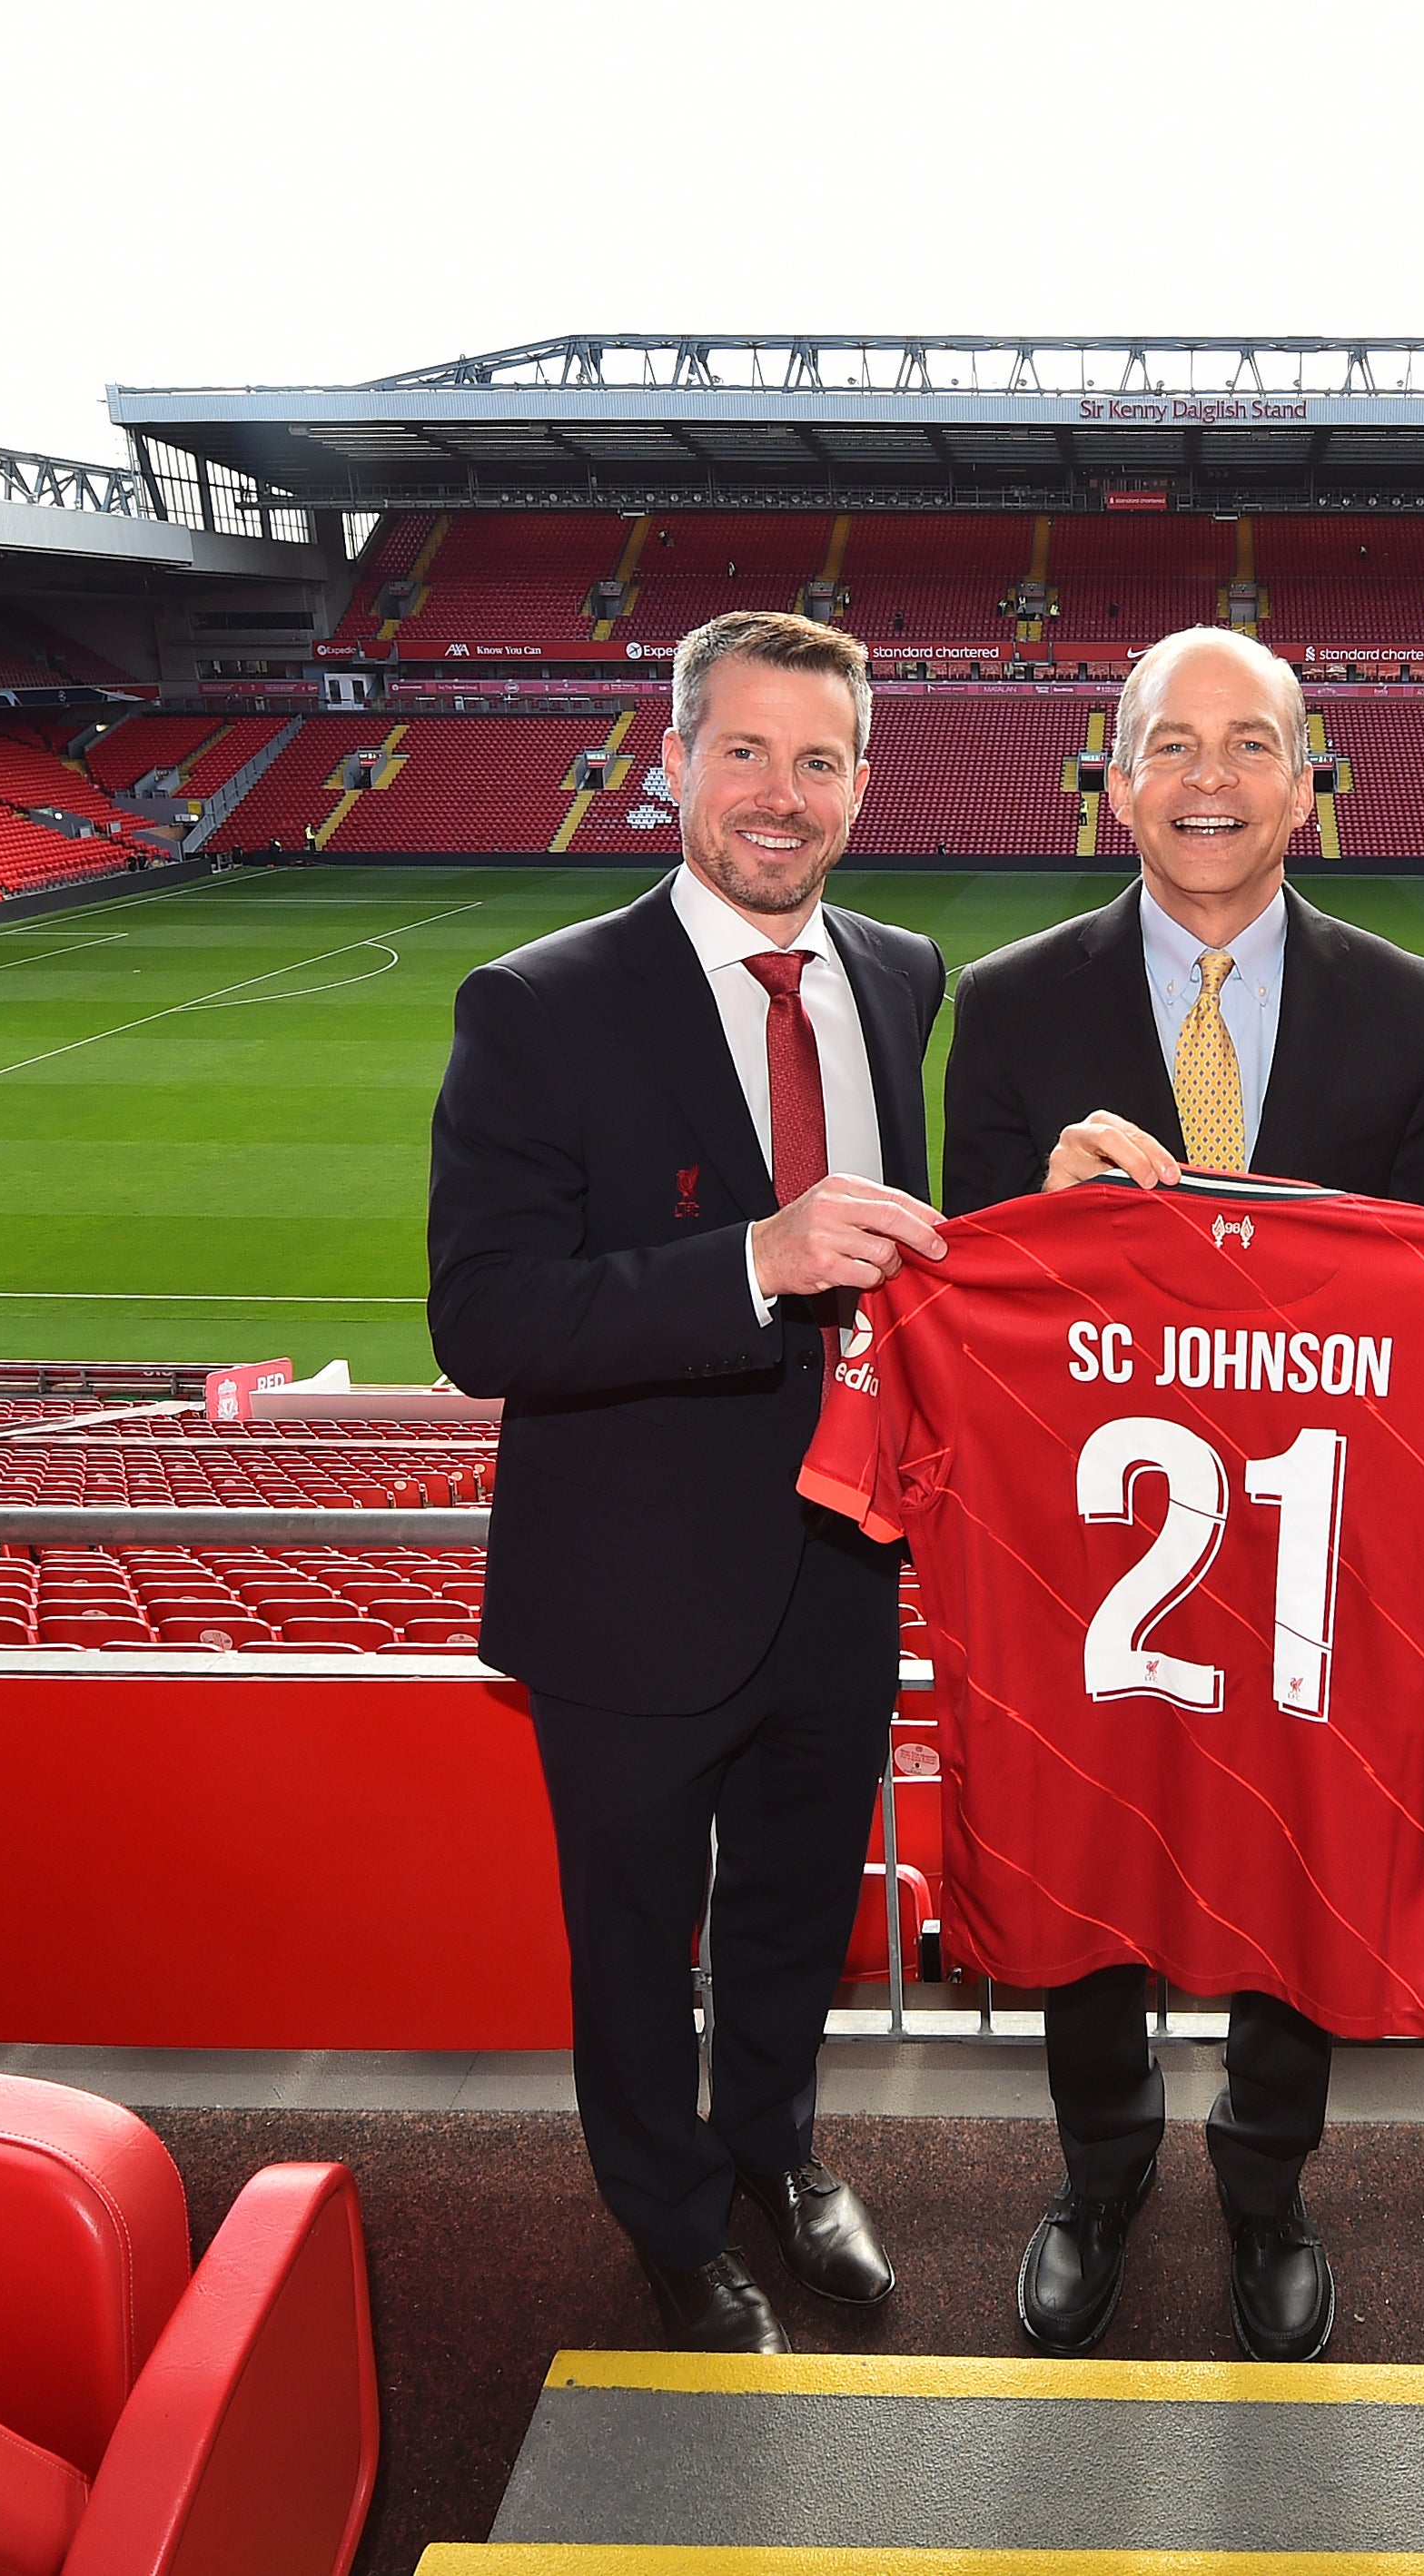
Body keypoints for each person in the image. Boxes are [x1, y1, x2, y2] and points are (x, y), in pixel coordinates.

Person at [939, 623, 1424, 2363]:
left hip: (1317, 1531)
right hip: (1099, 1533)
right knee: (1096, 1823)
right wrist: (1038, 1196)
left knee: (1295, 1845)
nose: (1209, 779)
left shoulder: (1413, 1013)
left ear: (1306, 784)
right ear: (1113, 784)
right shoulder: (1011, 1002)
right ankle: (1098, 2168)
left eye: (1251, 743)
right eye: (1170, 744)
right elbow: (958, 1285)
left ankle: (1266, 2182)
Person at [426, 608, 950, 2354]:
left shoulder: (899, 973)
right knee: (642, 1936)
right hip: (632, 1583)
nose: (778, 794)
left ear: (863, 784)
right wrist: (752, 1261)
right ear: (667, 767)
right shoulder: (538, 1002)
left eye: (816, 759)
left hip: (841, 1555)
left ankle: (780, 2158)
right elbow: (482, 1316)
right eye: (742, 751)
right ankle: (665, 2214)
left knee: (800, 1903)